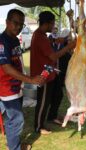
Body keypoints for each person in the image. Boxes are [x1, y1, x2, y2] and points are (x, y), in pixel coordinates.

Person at [0, 9, 45, 150]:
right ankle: (15, 148)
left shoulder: (14, 39)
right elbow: (6, 68)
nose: (18, 27)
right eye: (15, 23)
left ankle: (13, 144)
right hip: (7, 89)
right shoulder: (2, 41)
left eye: (21, 24)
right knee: (17, 120)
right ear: (7, 22)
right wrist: (31, 80)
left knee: (11, 120)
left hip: (16, 87)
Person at [30, 11, 76, 134]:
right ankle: (38, 126)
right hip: (43, 75)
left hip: (51, 73)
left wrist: (63, 40)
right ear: (48, 23)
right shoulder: (40, 36)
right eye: (53, 23)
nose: (54, 26)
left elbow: (51, 44)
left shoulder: (42, 35)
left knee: (58, 95)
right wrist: (69, 47)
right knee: (43, 101)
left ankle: (52, 116)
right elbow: (54, 56)